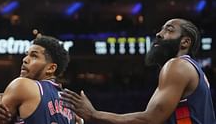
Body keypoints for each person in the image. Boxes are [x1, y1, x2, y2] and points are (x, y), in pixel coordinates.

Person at [62, 18, 216, 124]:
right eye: (161, 29)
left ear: (185, 42)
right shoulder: (193, 69)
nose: (159, 34)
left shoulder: (178, 65)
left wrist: (94, 115)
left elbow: (150, 119)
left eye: (169, 30)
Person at [0, 35, 80, 124]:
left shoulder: (22, 85)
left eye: (34, 56)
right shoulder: (70, 106)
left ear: (51, 68)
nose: (25, 59)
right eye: (27, 55)